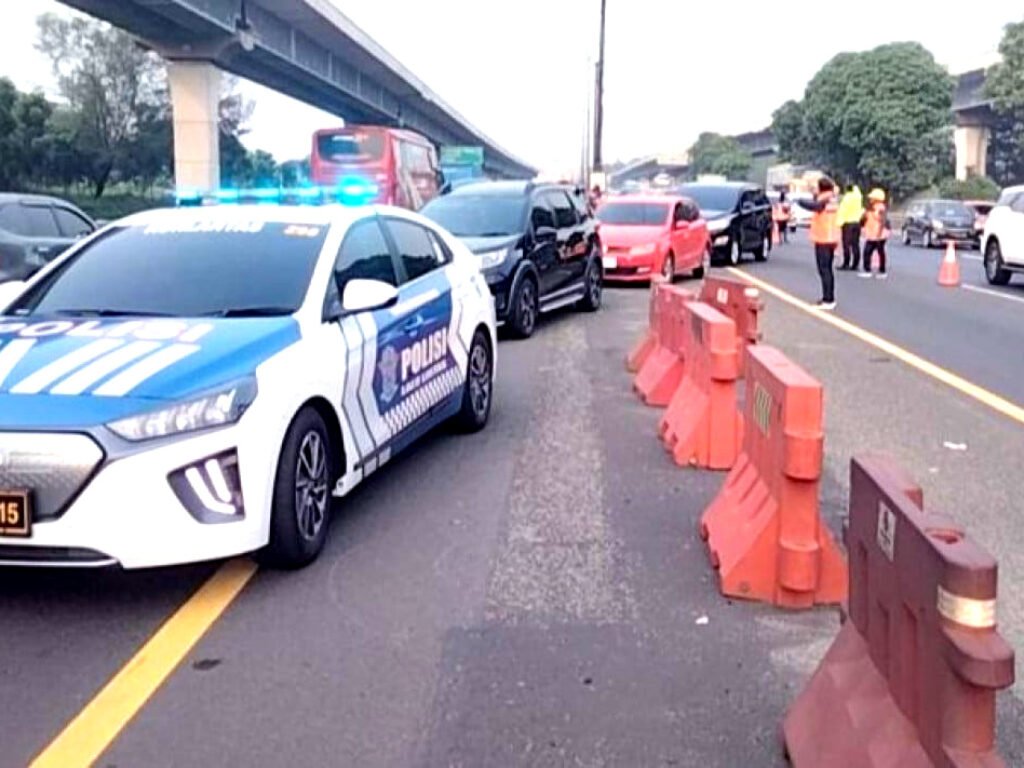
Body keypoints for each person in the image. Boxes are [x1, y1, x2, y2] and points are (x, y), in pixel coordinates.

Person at [797, 177, 840, 310]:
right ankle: (828, 298)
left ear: (821, 187)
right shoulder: (832, 198)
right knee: (827, 270)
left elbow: (813, 206)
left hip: (824, 239)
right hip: (831, 238)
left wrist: (799, 201)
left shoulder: (824, 200)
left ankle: (828, 300)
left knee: (824, 270)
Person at [859, 188, 890, 279]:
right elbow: (863, 220)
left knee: (870, 252)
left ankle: (871, 270)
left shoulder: (880, 209)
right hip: (873, 234)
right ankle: (881, 271)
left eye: (872, 198)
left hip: (878, 235)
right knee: (878, 252)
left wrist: (879, 234)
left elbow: (883, 222)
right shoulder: (870, 209)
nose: (870, 199)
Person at [836, 183, 864, 271]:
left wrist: (839, 223)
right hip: (857, 223)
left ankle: (846, 263)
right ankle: (855, 264)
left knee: (846, 245)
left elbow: (842, 211)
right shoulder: (858, 198)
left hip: (848, 223)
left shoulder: (847, 198)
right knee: (855, 244)